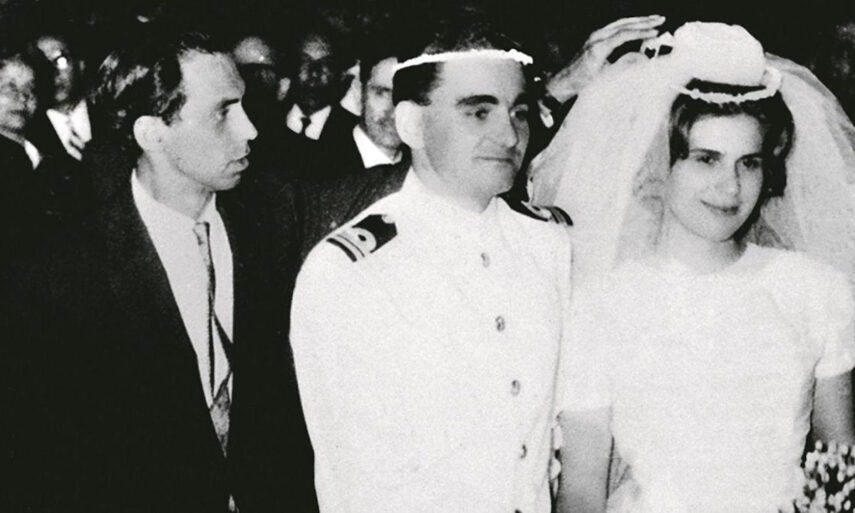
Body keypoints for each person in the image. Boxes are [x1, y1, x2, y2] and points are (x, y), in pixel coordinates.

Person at [528, 22, 855, 513]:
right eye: (706, 159)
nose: (730, 187)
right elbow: (581, 493)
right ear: (658, 164)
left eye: (749, 162)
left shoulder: (814, 289)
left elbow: (840, 465)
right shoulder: (600, 305)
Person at [2, 31, 316, 513]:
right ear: (152, 133)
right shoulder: (61, 275)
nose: (251, 129)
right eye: (223, 112)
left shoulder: (277, 221)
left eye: (244, 106)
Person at [290, 17, 574, 512]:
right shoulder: (352, 271)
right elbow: (357, 479)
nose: (510, 134)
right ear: (412, 124)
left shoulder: (548, 244)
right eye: (478, 112)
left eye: (519, 111)